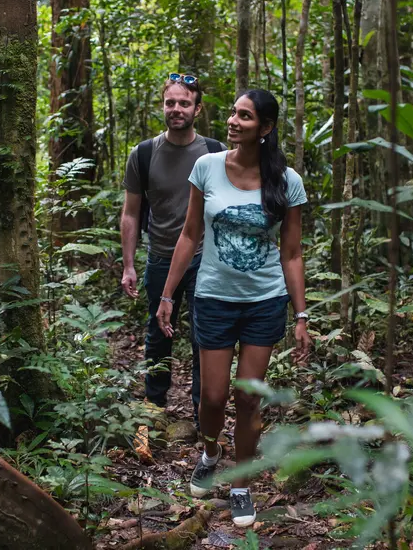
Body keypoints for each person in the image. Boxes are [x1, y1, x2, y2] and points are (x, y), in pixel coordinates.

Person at [156, 88, 311, 527]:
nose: (233, 121)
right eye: (232, 113)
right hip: (213, 298)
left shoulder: (288, 181)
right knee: (212, 395)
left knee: (247, 399)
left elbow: (292, 253)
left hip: (264, 302)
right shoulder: (206, 167)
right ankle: (210, 451)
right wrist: (168, 294)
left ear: (265, 128)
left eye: (244, 116)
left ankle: (241, 485)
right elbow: (189, 235)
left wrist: (301, 315)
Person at [120, 73, 225, 429]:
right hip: (161, 256)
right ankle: (155, 406)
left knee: (204, 335)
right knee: (157, 332)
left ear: (198, 108)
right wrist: (129, 265)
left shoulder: (215, 153)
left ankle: (202, 415)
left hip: (204, 260)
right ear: (162, 106)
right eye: (170, 103)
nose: (176, 109)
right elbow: (131, 213)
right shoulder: (144, 153)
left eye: (184, 103)